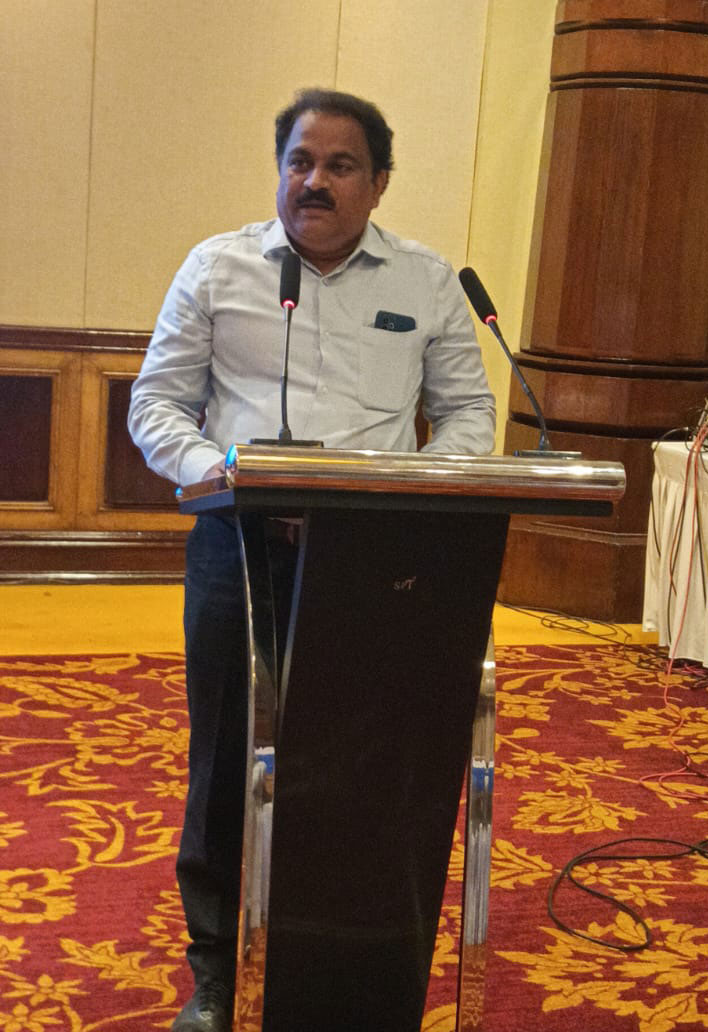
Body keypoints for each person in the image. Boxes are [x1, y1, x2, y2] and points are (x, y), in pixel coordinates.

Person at [128, 87, 495, 1032]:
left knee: (362, 760)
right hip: (240, 545)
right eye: (299, 162)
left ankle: (344, 958)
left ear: (379, 182)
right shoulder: (218, 268)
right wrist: (215, 472)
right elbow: (156, 404)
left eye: (339, 166)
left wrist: (411, 490)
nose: (314, 182)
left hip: (377, 559)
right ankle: (217, 971)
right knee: (227, 762)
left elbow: (467, 413)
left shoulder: (425, 281)